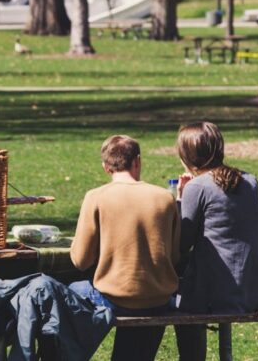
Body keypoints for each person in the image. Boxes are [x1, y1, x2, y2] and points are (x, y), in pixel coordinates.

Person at [70, 135, 180, 361]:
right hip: (159, 297)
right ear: (137, 161)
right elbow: (174, 256)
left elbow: (81, 261)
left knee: (70, 289)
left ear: (105, 167)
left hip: (115, 298)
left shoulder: (96, 197)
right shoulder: (165, 198)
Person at [174, 122, 258, 361]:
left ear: (186, 156)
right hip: (254, 291)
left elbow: (182, 244)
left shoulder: (197, 187)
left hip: (215, 295)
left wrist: (181, 200)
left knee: (169, 300)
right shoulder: (250, 181)